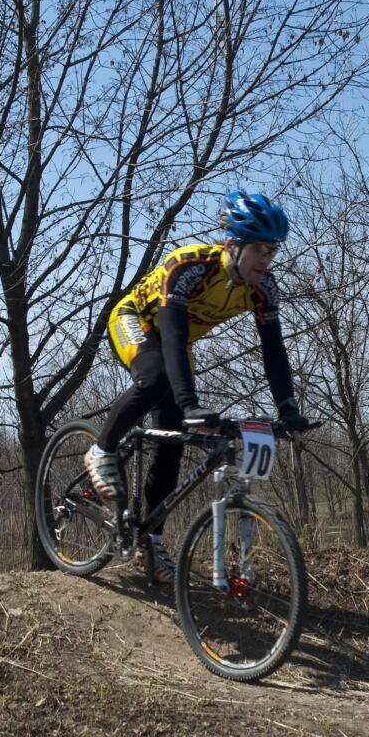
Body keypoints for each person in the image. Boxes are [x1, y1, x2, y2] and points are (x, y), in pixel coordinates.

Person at [85, 190, 312, 582]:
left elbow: (274, 351)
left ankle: (153, 543)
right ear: (232, 245)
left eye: (272, 251)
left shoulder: (263, 288)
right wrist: (189, 401)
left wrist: (288, 408)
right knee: (155, 380)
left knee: (172, 440)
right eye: (259, 249)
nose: (266, 260)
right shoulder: (190, 266)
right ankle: (101, 449)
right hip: (137, 321)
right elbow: (172, 335)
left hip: (178, 343)